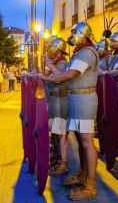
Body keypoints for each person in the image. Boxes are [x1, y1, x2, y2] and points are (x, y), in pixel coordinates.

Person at [41, 22, 99, 201]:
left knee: (87, 142)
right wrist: (50, 69)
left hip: (84, 100)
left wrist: (47, 76)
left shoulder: (87, 53)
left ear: (84, 35)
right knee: (82, 141)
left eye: (75, 32)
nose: (72, 35)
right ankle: (83, 174)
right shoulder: (80, 52)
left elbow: (70, 74)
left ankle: (90, 185)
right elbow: (64, 72)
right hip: (77, 99)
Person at [44, 37, 69, 176]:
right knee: (55, 132)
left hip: (61, 100)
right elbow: (47, 76)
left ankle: (63, 163)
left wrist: (49, 65)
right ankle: (56, 158)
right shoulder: (55, 63)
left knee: (61, 134)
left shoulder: (63, 63)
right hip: (54, 101)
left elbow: (60, 77)